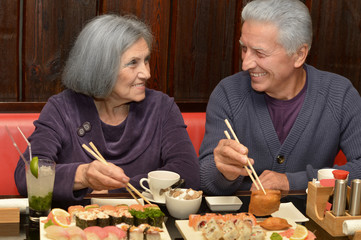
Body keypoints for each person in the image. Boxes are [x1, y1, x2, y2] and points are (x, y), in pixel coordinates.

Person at [14, 14, 200, 208]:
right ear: (101, 68)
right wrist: (83, 175)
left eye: (146, 60)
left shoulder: (161, 107)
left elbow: (188, 173)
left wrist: (114, 191)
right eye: (133, 63)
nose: (147, 73)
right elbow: (28, 173)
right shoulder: (62, 109)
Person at [199, 0, 361, 195]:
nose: (246, 64)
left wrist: (293, 182)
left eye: (259, 53)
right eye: (244, 49)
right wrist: (225, 172)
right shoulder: (228, 93)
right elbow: (204, 180)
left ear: (299, 55)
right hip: (240, 219)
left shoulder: (339, 95)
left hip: (310, 220)